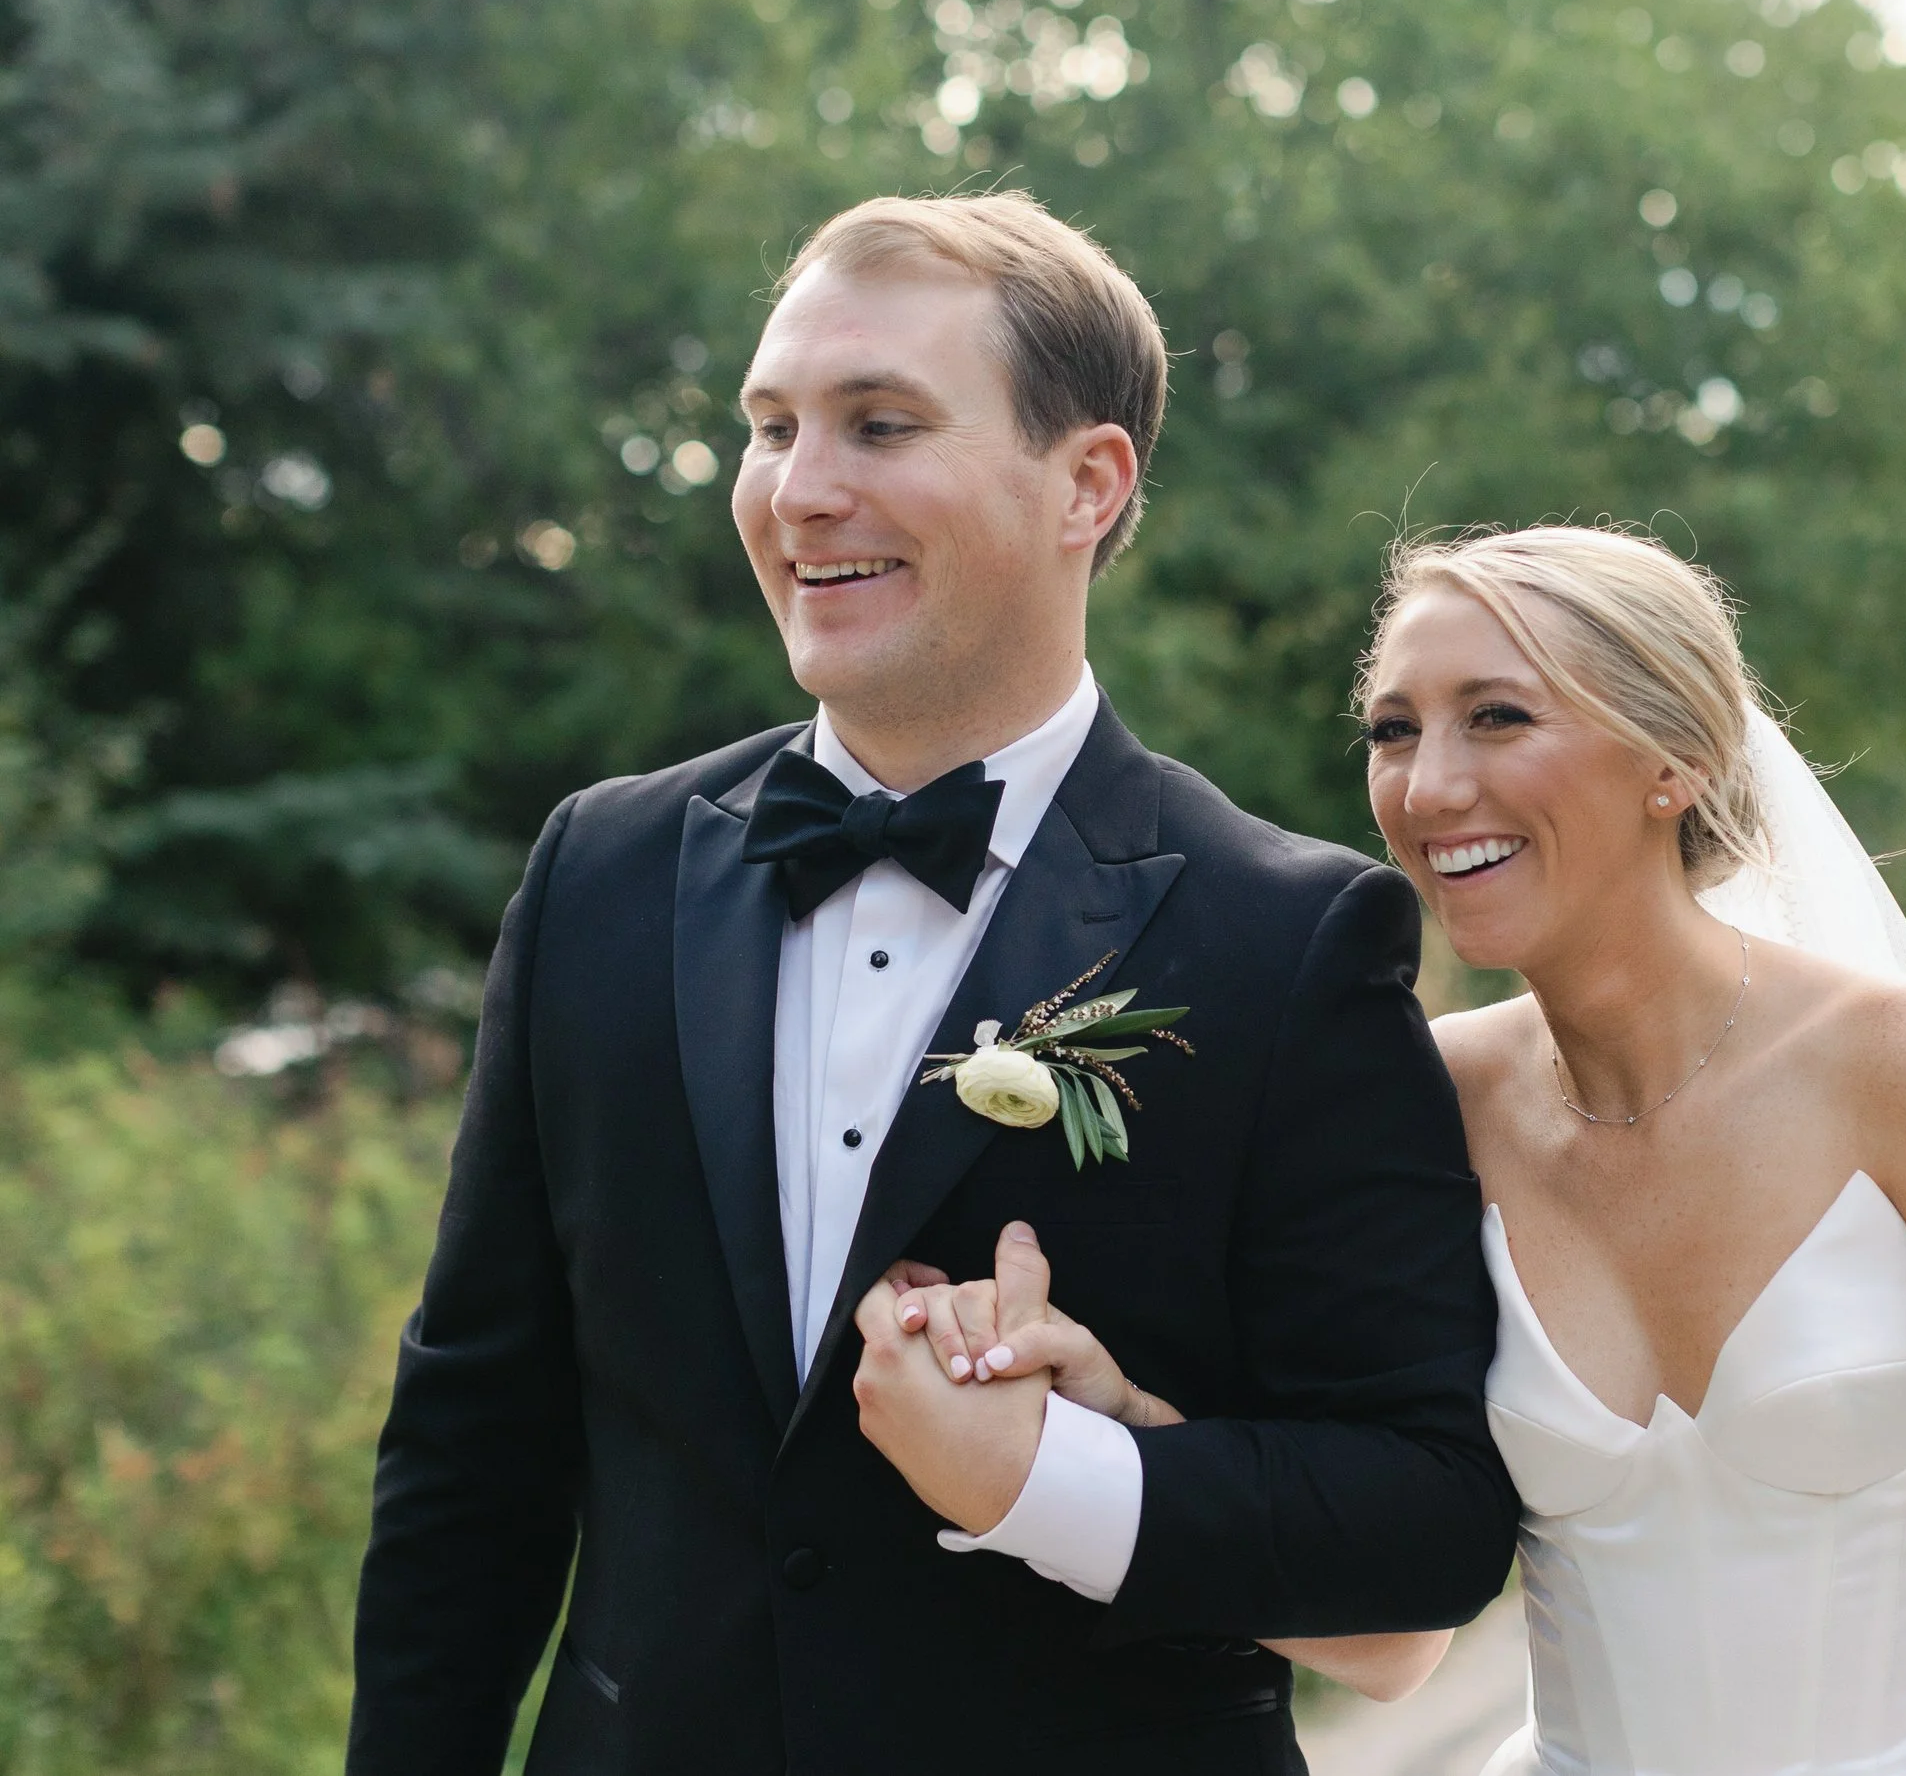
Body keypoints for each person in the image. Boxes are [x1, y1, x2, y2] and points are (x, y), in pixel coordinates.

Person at [903, 524, 1906, 1774]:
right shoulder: (1417, 1104)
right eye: (1394, 727)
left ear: (1672, 760)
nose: (1429, 789)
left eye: (1499, 715)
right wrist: (1104, 1426)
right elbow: (1386, 1632)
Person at [345, 191, 1518, 1776]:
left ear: (1085, 484)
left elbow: (1425, 1523)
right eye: (770, 429)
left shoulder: (1288, 938)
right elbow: (473, 1445)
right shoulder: (599, 874)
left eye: (879, 424)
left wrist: (1053, 1475)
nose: (800, 492)